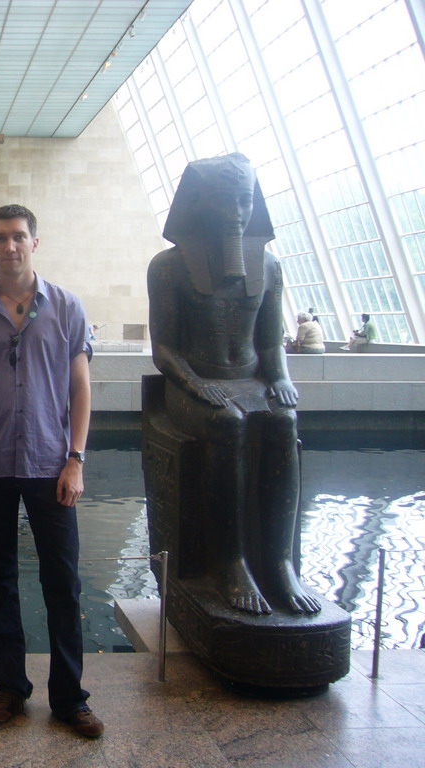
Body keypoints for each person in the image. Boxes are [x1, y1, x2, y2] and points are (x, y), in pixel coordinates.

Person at [0, 204, 102, 738]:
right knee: (0, 579)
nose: (9, 246)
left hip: (50, 464)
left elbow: (80, 389)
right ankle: (10, 687)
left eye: (18, 237)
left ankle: (69, 697)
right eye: (0, 238)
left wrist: (76, 458)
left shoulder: (65, 307)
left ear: (34, 242)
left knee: (63, 582)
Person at [148, 153, 320, 616]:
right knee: (228, 424)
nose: (237, 214)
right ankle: (229, 563)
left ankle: (280, 563)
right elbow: (163, 349)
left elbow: (269, 344)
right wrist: (195, 384)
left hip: (248, 379)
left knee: (284, 421)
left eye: (244, 201)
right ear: (202, 206)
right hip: (193, 383)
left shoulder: (269, 267)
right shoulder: (169, 267)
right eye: (226, 203)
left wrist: (279, 377)